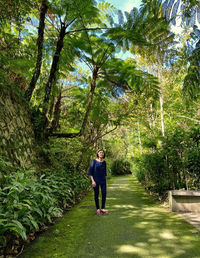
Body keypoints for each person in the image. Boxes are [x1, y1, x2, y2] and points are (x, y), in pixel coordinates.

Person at [88, 149, 108, 215]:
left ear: (104, 154)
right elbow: (90, 172)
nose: (101, 154)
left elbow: (105, 173)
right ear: (97, 154)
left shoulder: (104, 162)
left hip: (103, 180)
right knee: (96, 194)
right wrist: (93, 181)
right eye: (100, 152)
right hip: (95, 181)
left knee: (104, 193)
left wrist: (106, 182)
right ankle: (97, 209)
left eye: (102, 153)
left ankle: (102, 208)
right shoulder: (94, 161)